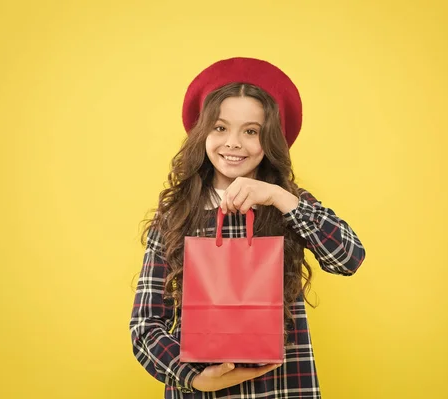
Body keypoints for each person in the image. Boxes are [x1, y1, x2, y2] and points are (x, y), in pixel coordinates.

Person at [129, 57, 366, 398]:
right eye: (220, 128)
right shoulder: (176, 216)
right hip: (201, 390)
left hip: (284, 387)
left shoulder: (289, 204)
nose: (234, 143)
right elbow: (146, 327)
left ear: (270, 140)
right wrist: (195, 379)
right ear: (202, 132)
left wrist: (280, 198)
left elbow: (349, 258)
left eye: (251, 131)